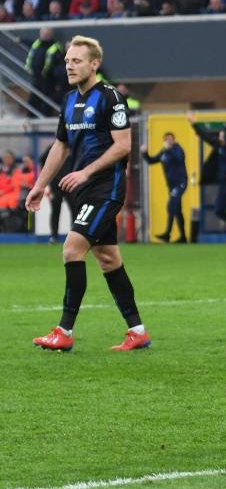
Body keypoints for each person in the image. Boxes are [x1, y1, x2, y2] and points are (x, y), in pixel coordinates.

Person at [26, 35, 150, 352]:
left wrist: (85, 171)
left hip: (106, 187)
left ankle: (64, 331)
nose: (69, 65)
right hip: (86, 189)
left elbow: (123, 146)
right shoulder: (68, 101)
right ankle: (137, 331)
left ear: (94, 64)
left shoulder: (111, 98)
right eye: (67, 60)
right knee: (108, 259)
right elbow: (61, 145)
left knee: (71, 249)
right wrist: (40, 185)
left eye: (76, 60)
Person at [141, 132, 188, 243]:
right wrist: (144, 153)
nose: (168, 141)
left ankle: (167, 234)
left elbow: (180, 158)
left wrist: (169, 149)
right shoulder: (164, 152)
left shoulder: (177, 149)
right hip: (171, 186)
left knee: (171, 207)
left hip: (180, 183)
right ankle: (183, 237)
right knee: (177, 210)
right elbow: (151, 161)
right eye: (166, 139)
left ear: (174, 140)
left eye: (170, 139)